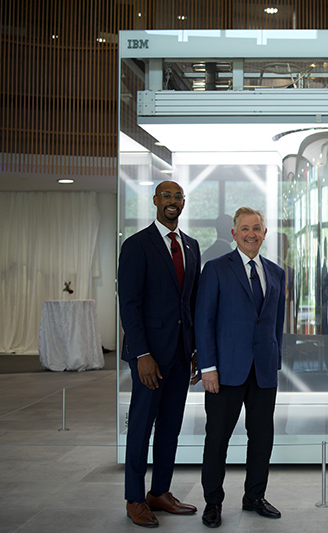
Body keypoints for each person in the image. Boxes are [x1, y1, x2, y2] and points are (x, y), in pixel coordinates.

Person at [195, 206, 286, 528]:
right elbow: (203, 321)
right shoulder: (216, 269)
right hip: (225, 371)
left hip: (263, 372)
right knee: (217, 440)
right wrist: (208, 367)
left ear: (265, 233)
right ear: (234, 233)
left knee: (262, 438)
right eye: (245, 228)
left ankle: (254, 497)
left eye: (257, 228)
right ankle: (213, 503)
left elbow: (276, 325)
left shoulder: (276, 272)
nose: (251, 234)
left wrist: (274, 361)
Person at [118, 180, 201, 528]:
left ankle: (160, 492)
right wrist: (141, 354)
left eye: (178, 196)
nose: (172, 201)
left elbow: (192, 303)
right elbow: (130, 303)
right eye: (166, 195)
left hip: (182, 354)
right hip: (150, 357)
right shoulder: (137, 245)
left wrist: (197, 349)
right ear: (155, 200)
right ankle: (135, 498)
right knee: (141, 427)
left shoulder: (192, 246)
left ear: (183, 203)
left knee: (170, 427)